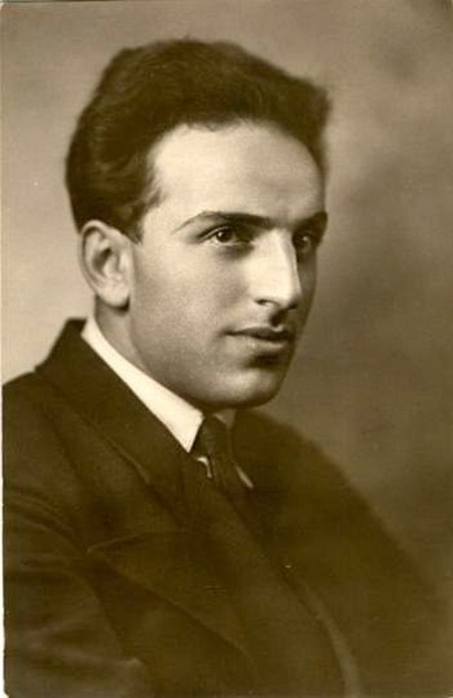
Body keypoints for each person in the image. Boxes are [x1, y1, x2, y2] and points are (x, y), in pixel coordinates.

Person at [3, 39, 451, 697]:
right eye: (228, 235)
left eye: (303, 239)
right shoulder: (15, 467)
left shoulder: (279, 461)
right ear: (109, 264)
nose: (286, 288)